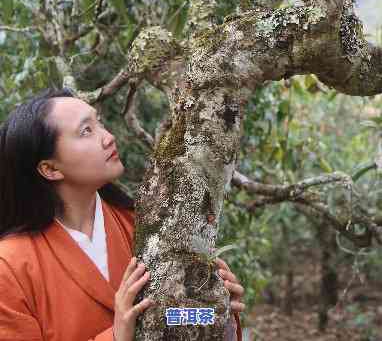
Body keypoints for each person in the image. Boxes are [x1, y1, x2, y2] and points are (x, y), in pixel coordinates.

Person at [0, 87, 245, 340]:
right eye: (86, 131)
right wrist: (116, 335)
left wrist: (214, 313)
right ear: (50, 168)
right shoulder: (10, 268)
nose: (108, 137)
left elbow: (169, 318)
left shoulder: (146, 225)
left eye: (100, 123)